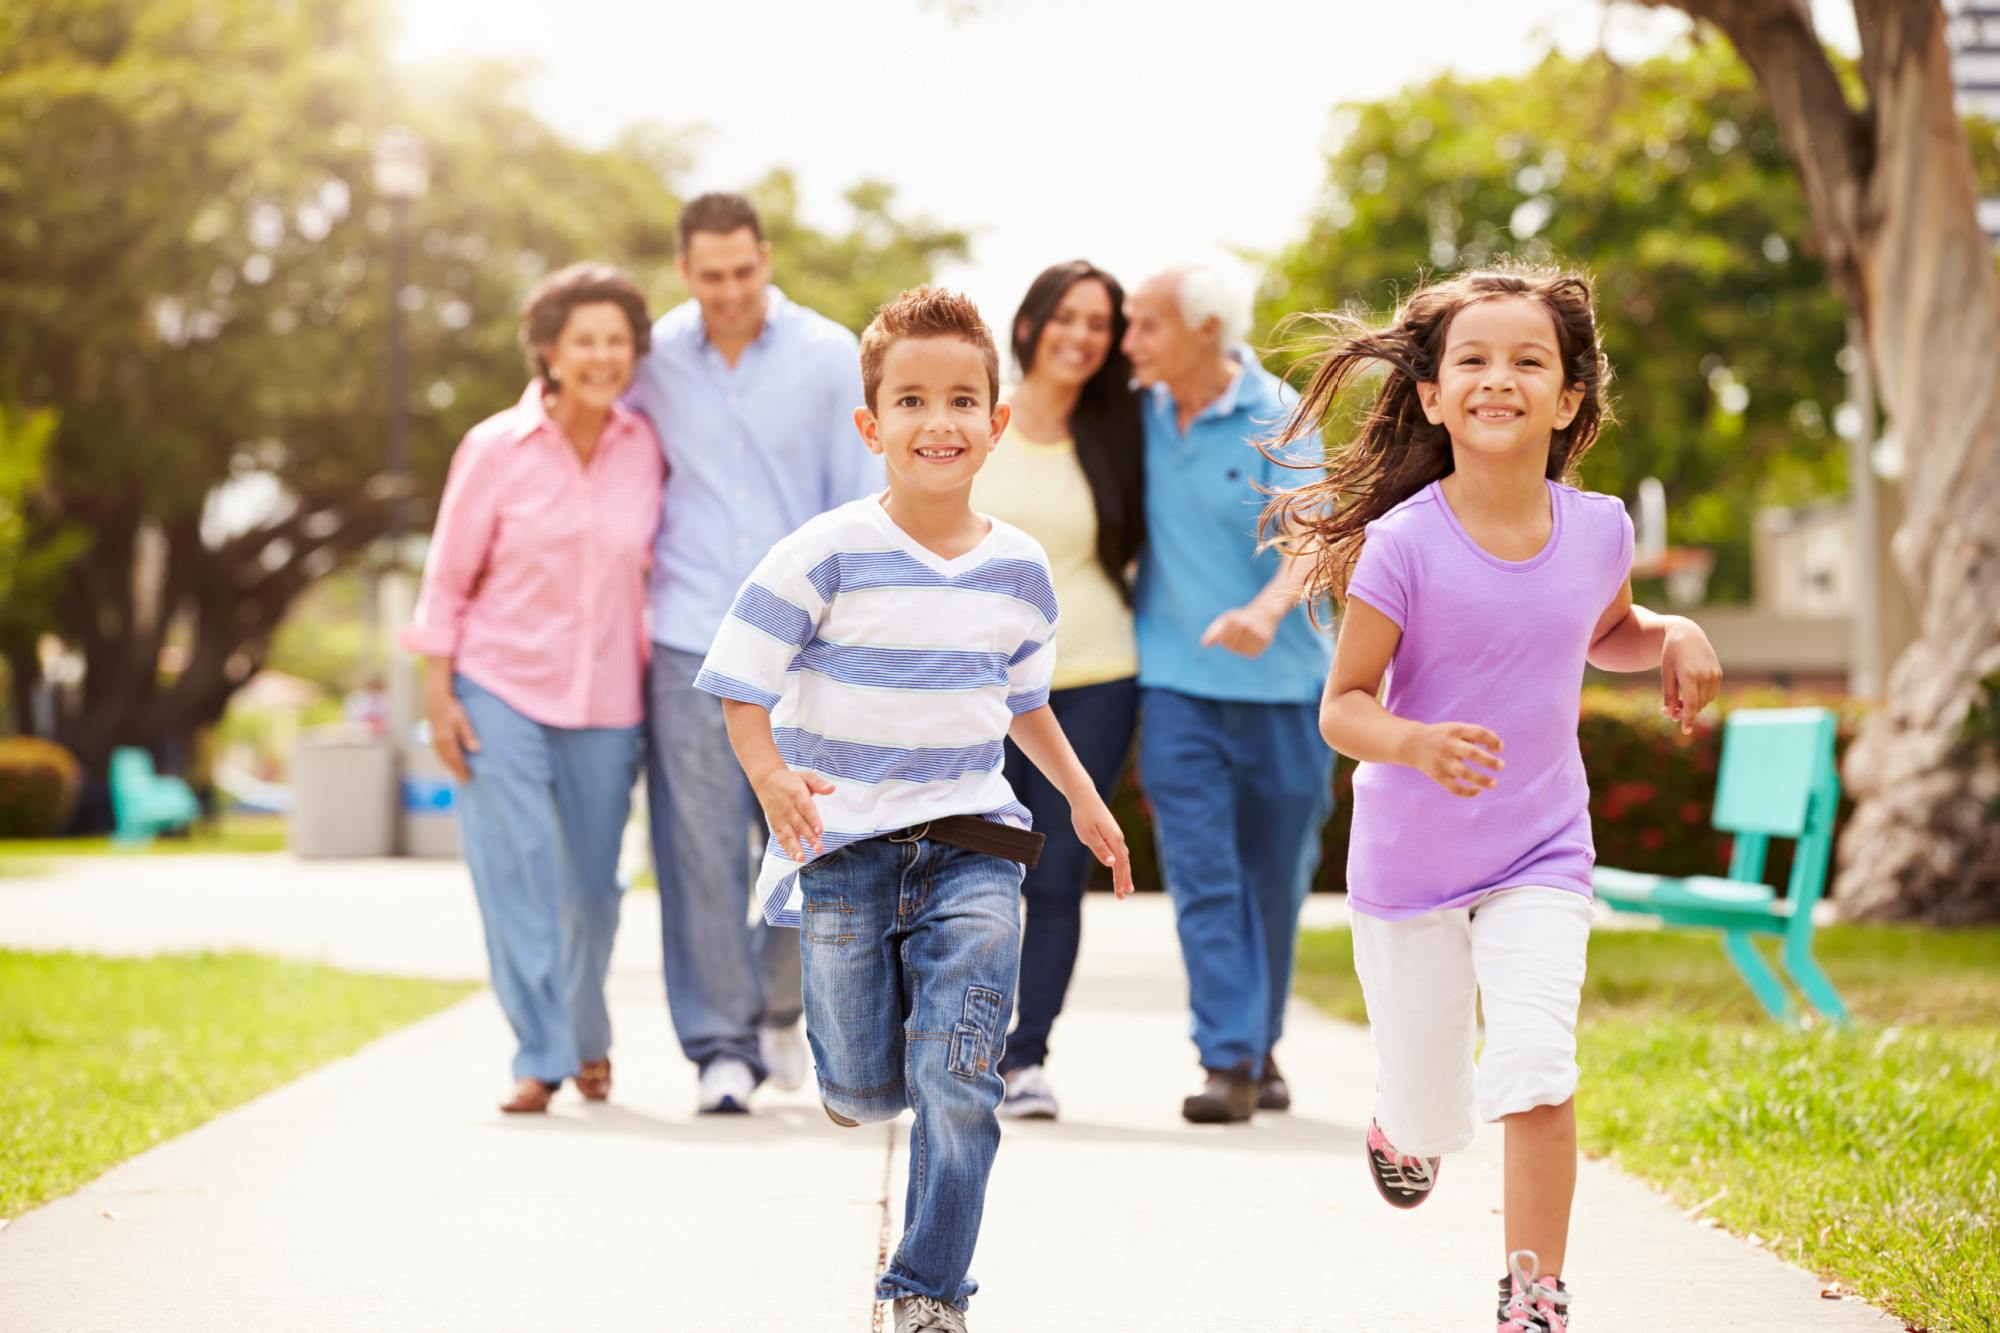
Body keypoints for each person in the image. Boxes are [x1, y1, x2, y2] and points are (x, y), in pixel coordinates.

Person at [1263, 265, 1723, 1333]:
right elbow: (1344, 706)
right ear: (1430, 395)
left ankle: (1532, 1294)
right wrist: (1412, 741)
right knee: (1433, 1108)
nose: (1496, 379)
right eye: (1470, 359)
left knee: (1532, 1060)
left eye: (1527, 360)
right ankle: (1397, 1125)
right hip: (1409, 866)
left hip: (1540, 851)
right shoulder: (1403, 544)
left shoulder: (1599, 527)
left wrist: (1671, 632)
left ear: (1567, 399)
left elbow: (1602, 629)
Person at [700, 287, 1134, 1333]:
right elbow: (738, 683)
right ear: (871, 424)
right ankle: (867, 1067)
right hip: (844, 846)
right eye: (909, 400)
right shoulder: (822, 552)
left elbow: (1022, 702)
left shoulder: (1021, 570)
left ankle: (929, 1288)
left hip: (974, 843)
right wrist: (769, 778)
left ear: (994, 422)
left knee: (960, 1073)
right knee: (858, 1087)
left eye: (959, 400)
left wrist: (1080, 798)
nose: (935, 421)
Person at [627, 192, 882, 1113]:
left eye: (744, 271)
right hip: (685, 635)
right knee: (693, 849)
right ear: (685, 272)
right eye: (710, 275)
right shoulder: (650, 359)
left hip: (795, 646)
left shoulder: (827, 356)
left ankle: (780, 1008)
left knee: (800, 837)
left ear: (765, 259)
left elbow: (857, 499)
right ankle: (718, 1049)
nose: (730, 290)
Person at [402, 263, 662, 1114]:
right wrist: (438, 694)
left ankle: (585, 1030)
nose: (600, 355)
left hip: (609, 699)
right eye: (583, 339)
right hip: (497, 687)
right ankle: (540, 1052)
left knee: (591, 887)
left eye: (616, 341)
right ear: (549, 349)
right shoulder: (492, 449)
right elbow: (446, 580)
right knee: (514, 872)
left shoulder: (643, 449)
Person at [1122, 264, 1335, 1124]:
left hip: (1283, 687)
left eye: (1147, 326)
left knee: (1274, 880)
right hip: (1175, 684)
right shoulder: (1131, 416)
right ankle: (1228, 1058)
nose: (1128, 343)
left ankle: (1259, 1039)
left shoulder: (1278, 415)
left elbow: (1312, 539)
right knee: (1205, 876)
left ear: (1205, 329)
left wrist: (1265, 609)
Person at [968, 260, 1144, 1120]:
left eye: (1099, 323)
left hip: (1094, 675)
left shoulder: (1119, 431)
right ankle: (959, 1041)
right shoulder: (979, 419)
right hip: (976, 686)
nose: (1081, 336)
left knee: (1058, 866)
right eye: (1067, 317)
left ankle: (1026, 1055)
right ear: (1032, 322)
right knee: (972, 865)